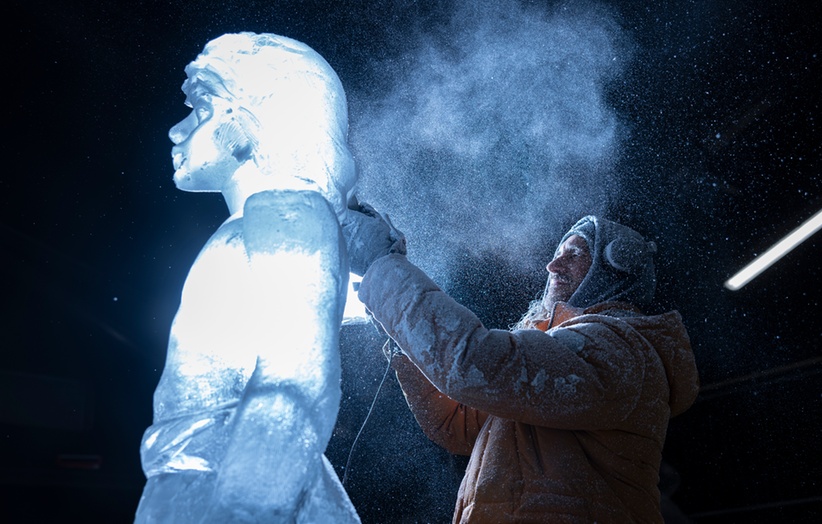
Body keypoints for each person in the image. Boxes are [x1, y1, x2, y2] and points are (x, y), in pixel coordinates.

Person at [343, 208, 700, 523]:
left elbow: (472, 364)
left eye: (573, 255)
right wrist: (401, 338)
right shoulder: (556, 359)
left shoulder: (618, 349)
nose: (552, 266)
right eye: (557, 255)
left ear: (616, 267)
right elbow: (457, 423)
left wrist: (385, 269)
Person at [135, 33, 360, 523]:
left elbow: (296, 375)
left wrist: (246, 505)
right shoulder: (262, 223)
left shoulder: (289, 212)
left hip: (240, 485)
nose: (177, 131)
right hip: (199, 483)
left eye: (199, 109)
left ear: (242, 122)